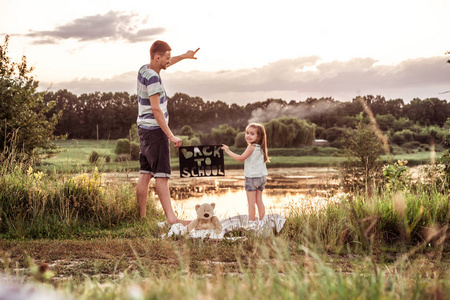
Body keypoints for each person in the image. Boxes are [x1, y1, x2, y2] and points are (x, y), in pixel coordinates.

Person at [136, 40, 199, 225]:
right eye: (167, 58)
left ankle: (141, 218)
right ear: (158, 58)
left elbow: (167, 62)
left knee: (145, 173)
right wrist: (170, 135)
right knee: (162, 176)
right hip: (156, 132)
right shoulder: (154, 78)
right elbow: (156, 109)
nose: (168, 62)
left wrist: (185, 56)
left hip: (143, 129)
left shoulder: (144, 70)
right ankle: (172, 219)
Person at [221, 123, 269, 221]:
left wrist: (228, 151)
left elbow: (240, 158)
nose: (248, 135)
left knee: (251, 203)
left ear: (258, 137)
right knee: (259, 201)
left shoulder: (251, 147)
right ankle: (263, 221)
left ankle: (251, 223)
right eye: (247, 133)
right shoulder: (261, 148)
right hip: (262, 178)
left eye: (252, 134)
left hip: (251, 178)